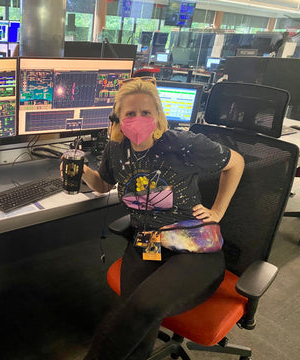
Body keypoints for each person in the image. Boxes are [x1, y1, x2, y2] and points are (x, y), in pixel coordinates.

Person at [78, 76, 245, 359]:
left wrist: (218, 211)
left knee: (142, 307)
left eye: (146, 112)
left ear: (158, 115)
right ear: (117, 118)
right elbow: (104, 185)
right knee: (137, 316)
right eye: (130, 113)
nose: (139, 119)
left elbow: (236, 162)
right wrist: (81, 169)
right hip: (149, 243)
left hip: (193, 244)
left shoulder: (183, 144)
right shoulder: (117, 149)